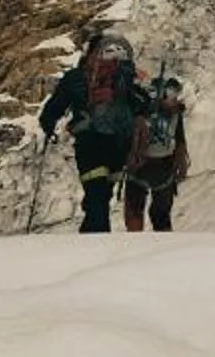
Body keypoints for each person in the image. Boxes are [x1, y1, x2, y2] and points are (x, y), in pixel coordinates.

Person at [39, 31, 147, 233]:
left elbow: (55, 107)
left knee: (96, 194)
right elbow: (143, 106)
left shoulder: (76, 77)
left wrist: (48, 125)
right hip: (119, 144)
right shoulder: (125, 77)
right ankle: (93, 241)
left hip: (89, 142)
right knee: (101, 196)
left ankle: (95, 243)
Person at [124, 74, 192, 232]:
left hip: (139, 167)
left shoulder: (140, 108)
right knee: (161, 215)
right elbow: (179, 140)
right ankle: (162, 247)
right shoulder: (175, 114)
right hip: (164, 168)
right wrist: (180, 163)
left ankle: (133, 245)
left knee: (134, 212)